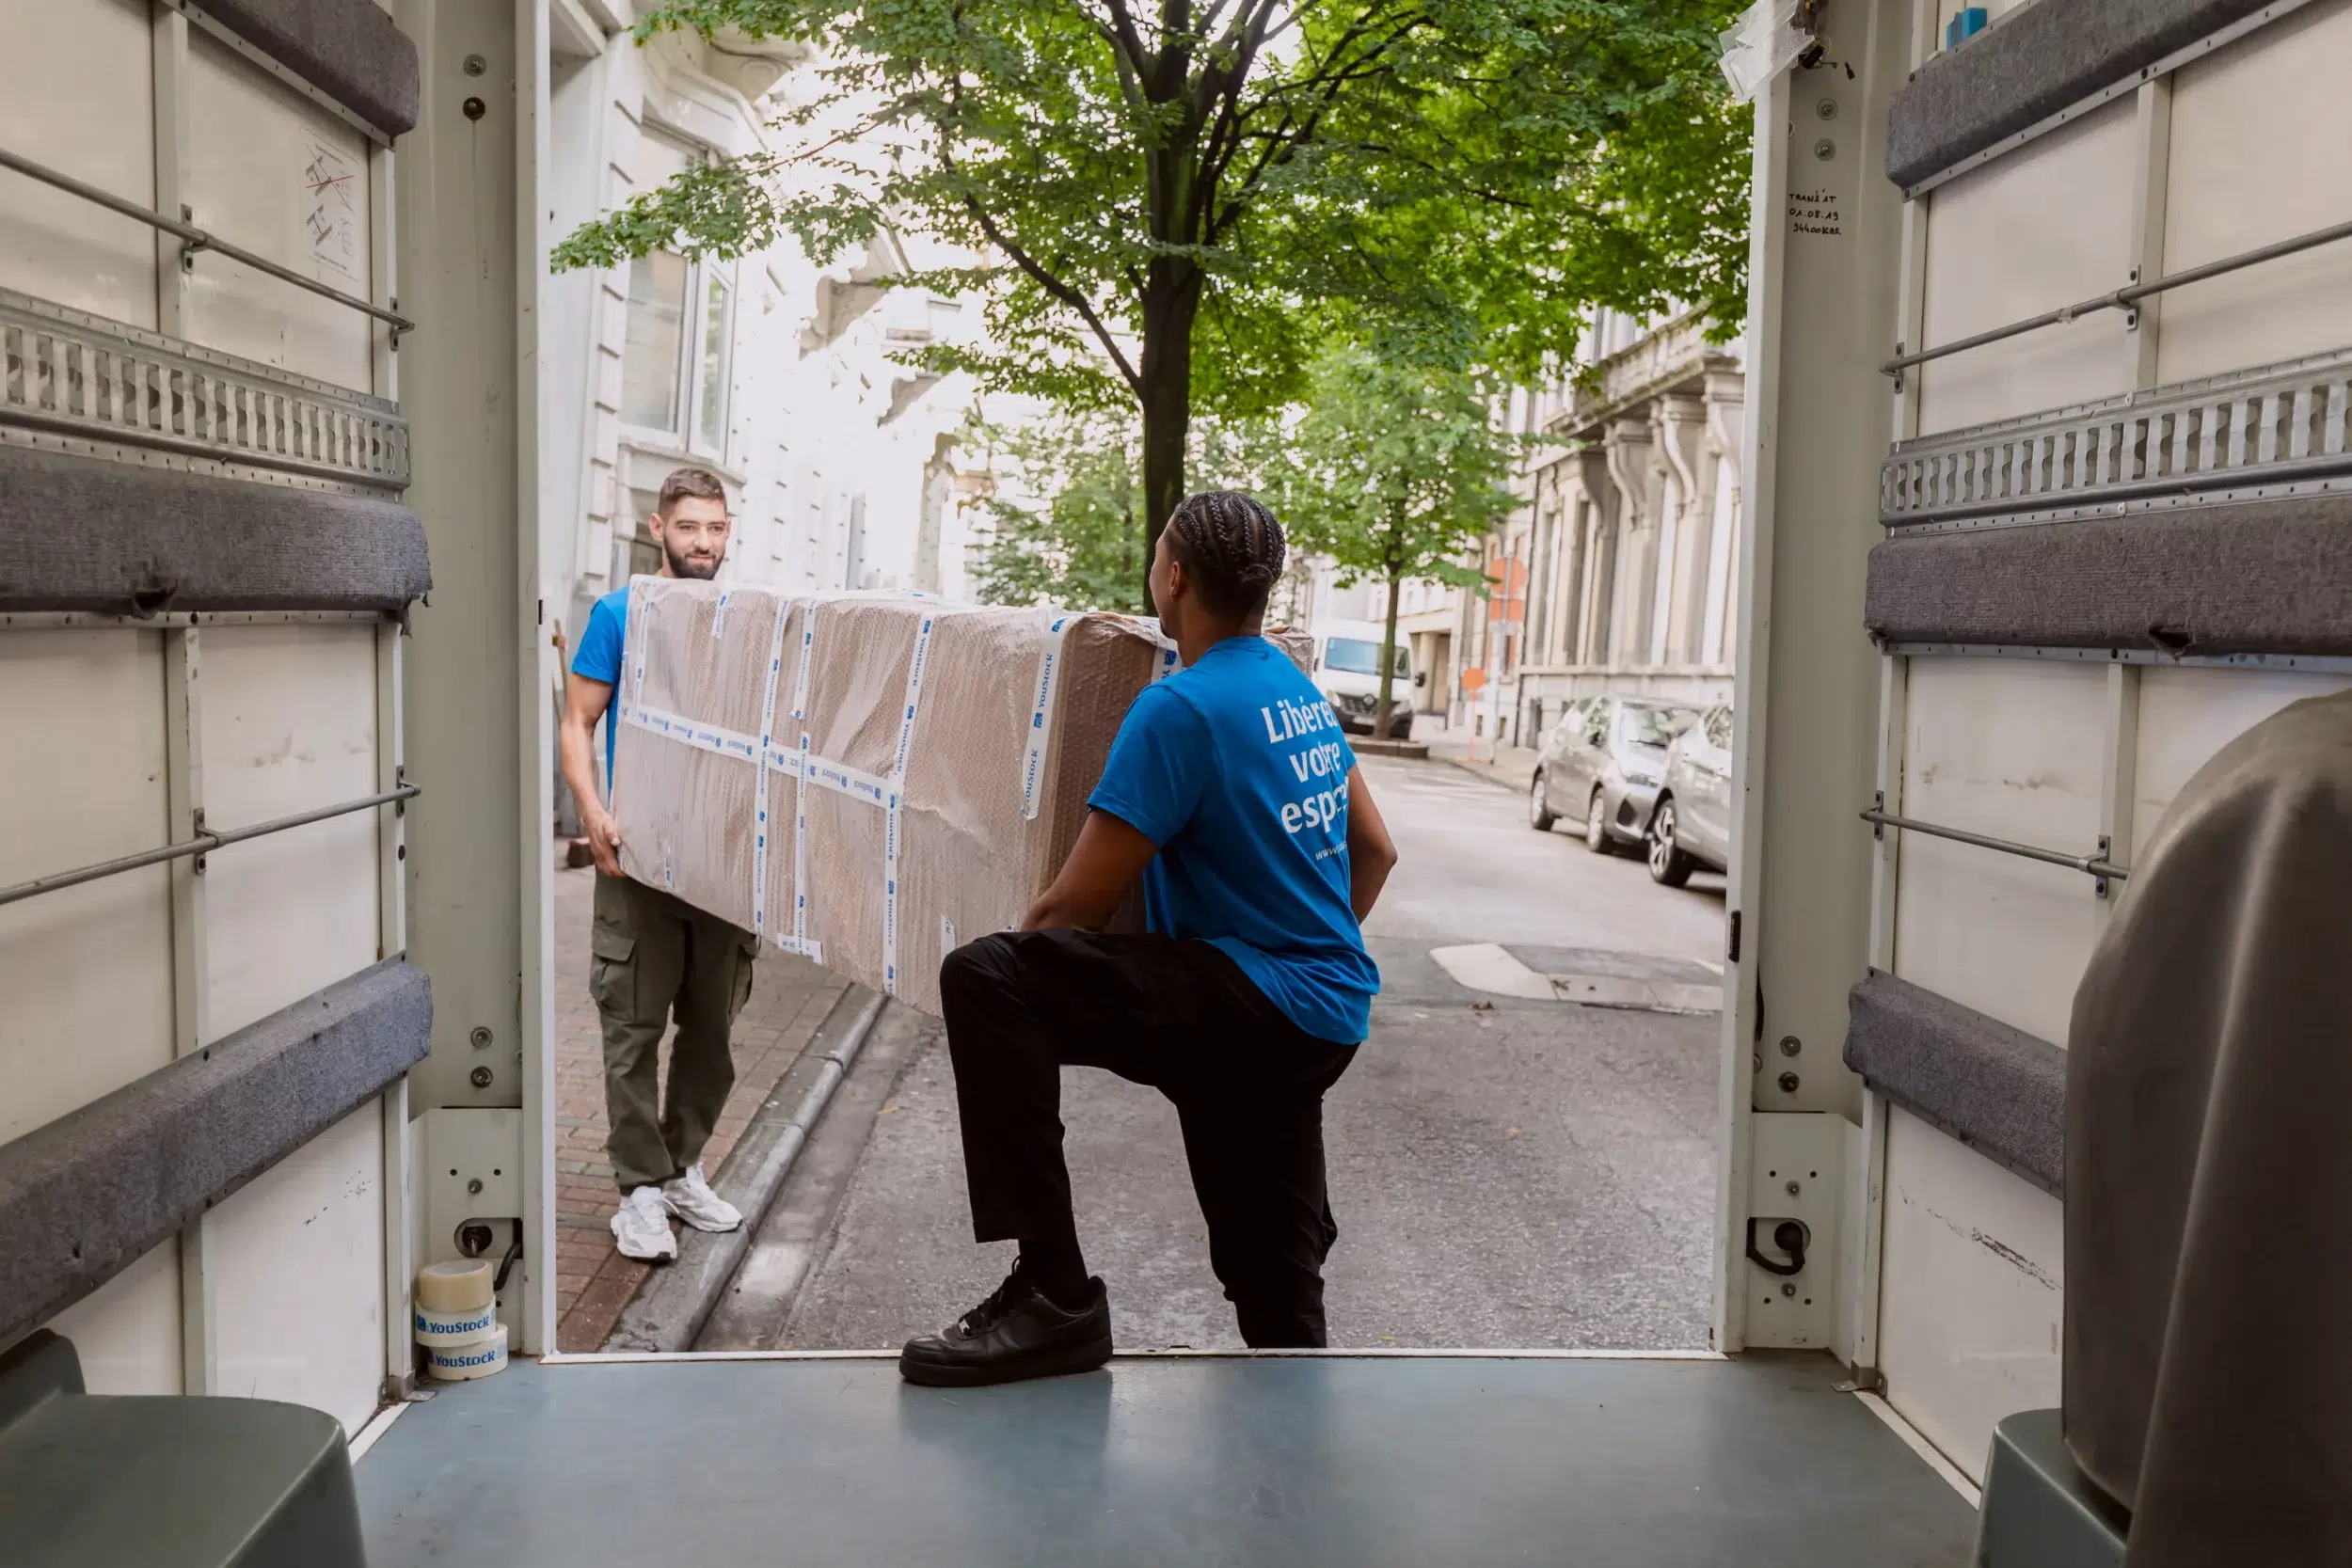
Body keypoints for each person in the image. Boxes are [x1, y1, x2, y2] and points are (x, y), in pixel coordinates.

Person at [900, 490, 1400, 1387]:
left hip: (1254, 1000)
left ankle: (1053, 1295)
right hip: (1325, 1016)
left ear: (1172, 576)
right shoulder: (1296, 688)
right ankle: (1293, 1446)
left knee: (986, 978)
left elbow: (1070, 914)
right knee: (1275, 1290)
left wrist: (1014, 995)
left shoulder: (1181, 708)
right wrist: (1295, 952)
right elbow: (1376, 849)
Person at [557, 467, 752, 1262]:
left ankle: (681, 1168)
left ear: (728, 531)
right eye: (688, 527)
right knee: (632, 1030)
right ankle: (637, 1190)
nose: (702, 541)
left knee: (712, 1032)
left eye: (715, 527)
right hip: (638, 861)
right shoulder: (619, 614)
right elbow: (576, 720)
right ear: (657, 528)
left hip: (722, 867)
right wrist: (591, 811)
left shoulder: (747, 624)